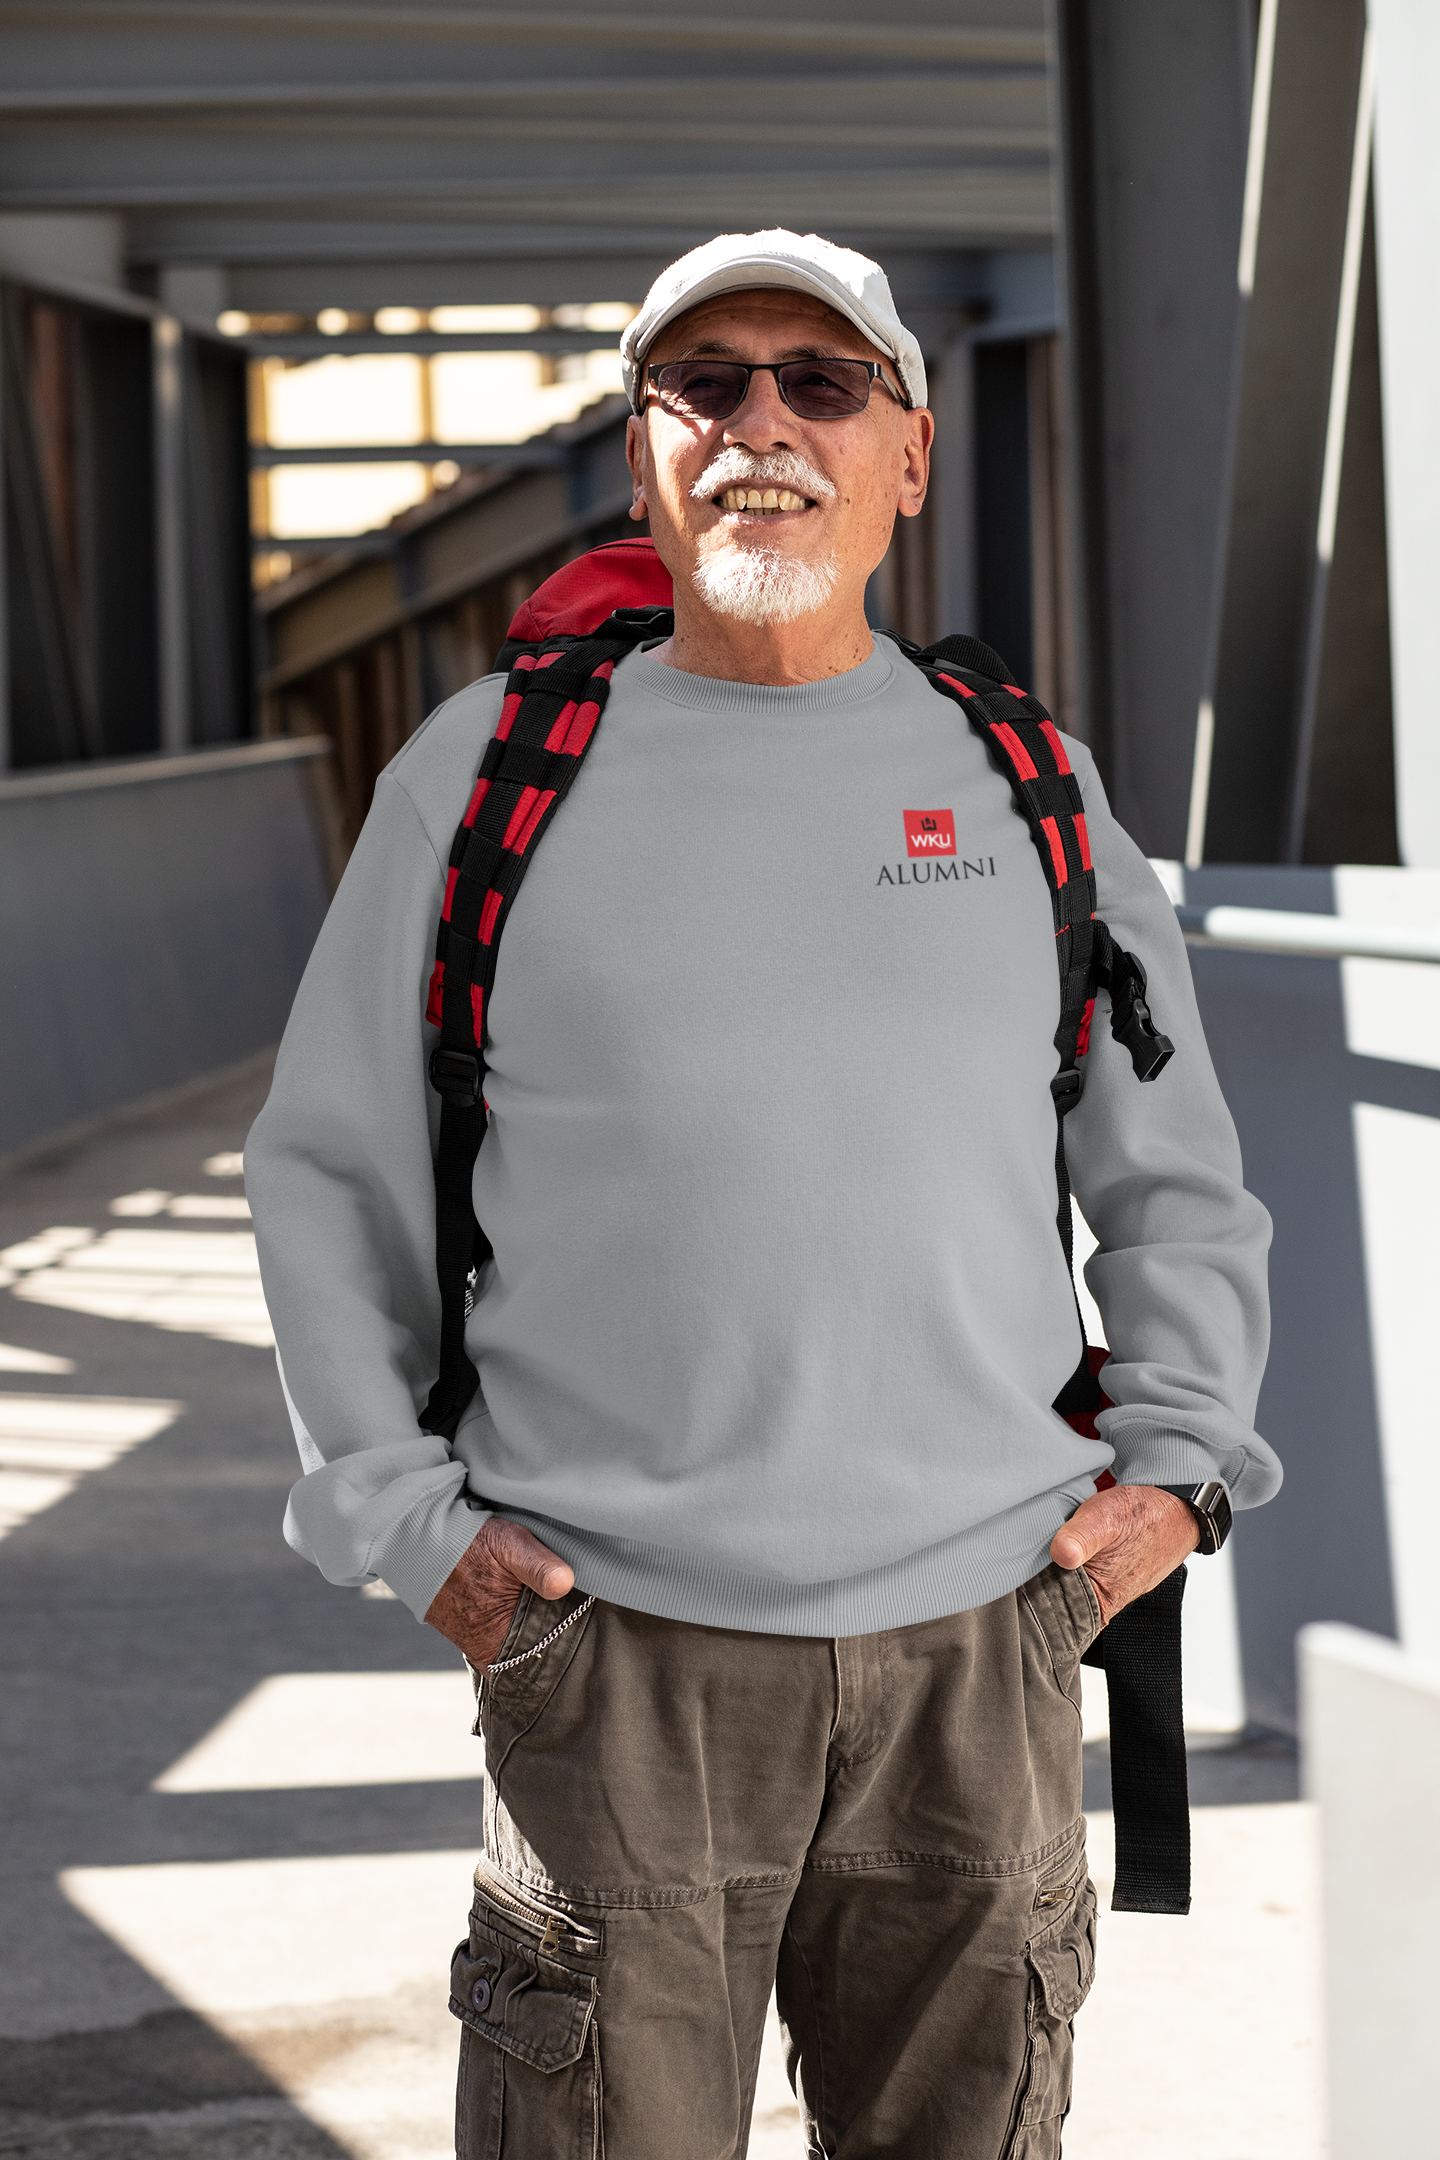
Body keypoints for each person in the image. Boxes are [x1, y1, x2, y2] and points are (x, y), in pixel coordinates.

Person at [246, 228, 1279, 2160]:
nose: (759, 428)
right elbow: (327, 1172)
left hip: (989, 1635)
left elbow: (1177, 1181)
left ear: (910, 452)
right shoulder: (484, 779)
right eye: (702, 386)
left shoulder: (1025, 782)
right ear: (643, 455)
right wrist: (404, 1525)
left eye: (823, 384)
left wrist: (1187, 1462)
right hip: (609, 1648)